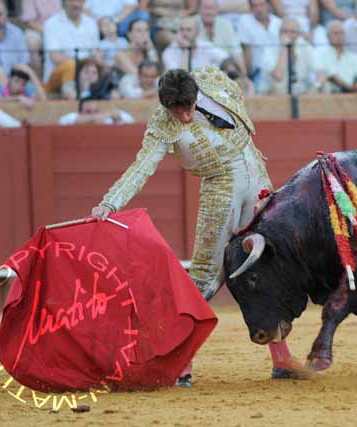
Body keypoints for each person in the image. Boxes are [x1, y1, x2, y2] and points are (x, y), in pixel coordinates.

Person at [89, 67, 310, 385]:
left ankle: (281, 358)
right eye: (175, 111)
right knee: (206, 277)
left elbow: (238, 99)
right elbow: (142, 166)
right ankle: (181, 362)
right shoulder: (163, 124)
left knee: (263, 268)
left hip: (257, 177)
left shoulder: (213, 79)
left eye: (187, 108)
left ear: (196, 95)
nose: (184, 118)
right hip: (221, 190)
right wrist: (111, 202)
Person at [42, 0, 100, 96]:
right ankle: (71, 96)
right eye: (72, 1)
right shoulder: (51, 23)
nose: (76, 4)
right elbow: (55, 57)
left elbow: (94, 53)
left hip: (85, 71)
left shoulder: (91, 23)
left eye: (79, 1)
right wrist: (81, 64)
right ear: (64, 3)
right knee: (71, 65)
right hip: (57, 76)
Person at [263, 17, 322, 94]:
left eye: (293, 32)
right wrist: (284, 48)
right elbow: (278, 76)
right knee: (277, 90)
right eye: (285, 31)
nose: (289, 35)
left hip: (301, 91)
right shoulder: (269, 49)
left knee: (324, 86)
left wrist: (316, 86)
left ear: (299, 34)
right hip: (275, 92)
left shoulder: (305, 46)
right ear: (279, 33)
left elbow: (322, 72)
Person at [237, 0, 282, 93]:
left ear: (268, 5)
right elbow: (246, 51)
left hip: (278, 70)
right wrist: (247, 77)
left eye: (261, 5)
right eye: (255, 6)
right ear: (251, 8)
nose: (259, 9)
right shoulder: (245, 21)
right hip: (258, 73)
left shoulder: (278, 22)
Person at [317, 19, 357, 93]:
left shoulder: (354, 57)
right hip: (330, 94)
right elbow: (331, 76)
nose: (339, 36)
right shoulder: (321, 55)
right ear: (328, 37)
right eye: (336, 33)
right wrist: (349, 88)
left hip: (352, 94)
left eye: (342, 33)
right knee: (327, 86)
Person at [162, 16, 228, 71]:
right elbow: (179, 78)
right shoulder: (170, 51)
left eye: (189, 30)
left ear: (197, 33)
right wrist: (186, 50)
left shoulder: (205, 46)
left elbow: (225, 58)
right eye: (182, 29)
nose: (184, 33)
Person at [197, 0, 246, 75]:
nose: (209, 12)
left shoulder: (226, 24)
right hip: (200, 72)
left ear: (217, 10)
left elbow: (236, 51)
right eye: (206, 8)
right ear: (199, 9)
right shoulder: (191, 24)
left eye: (212, 8)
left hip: (225, 71)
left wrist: (244, 75)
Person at [59, 95, 134, 124]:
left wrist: (113, 115)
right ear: (80, 112)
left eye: (95, 111)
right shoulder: (73, 117)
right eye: (88, 112)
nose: (92, 114)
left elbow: (130, 120)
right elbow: (62, 121)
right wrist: (96, 117)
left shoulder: (106, 120)